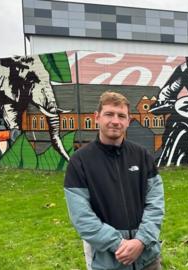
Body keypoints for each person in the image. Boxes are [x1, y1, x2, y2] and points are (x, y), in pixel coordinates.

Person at [64, 91, 165, 270]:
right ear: (97, 117)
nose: (115, 121)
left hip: (147, 257)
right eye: (109, 114)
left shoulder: (142, 156)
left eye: (121, 116)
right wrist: (119, 245)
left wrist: (141, 240)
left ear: (128, 120)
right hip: (108, 259)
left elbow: (156, 203)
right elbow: (81, 217)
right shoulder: (80, 162)